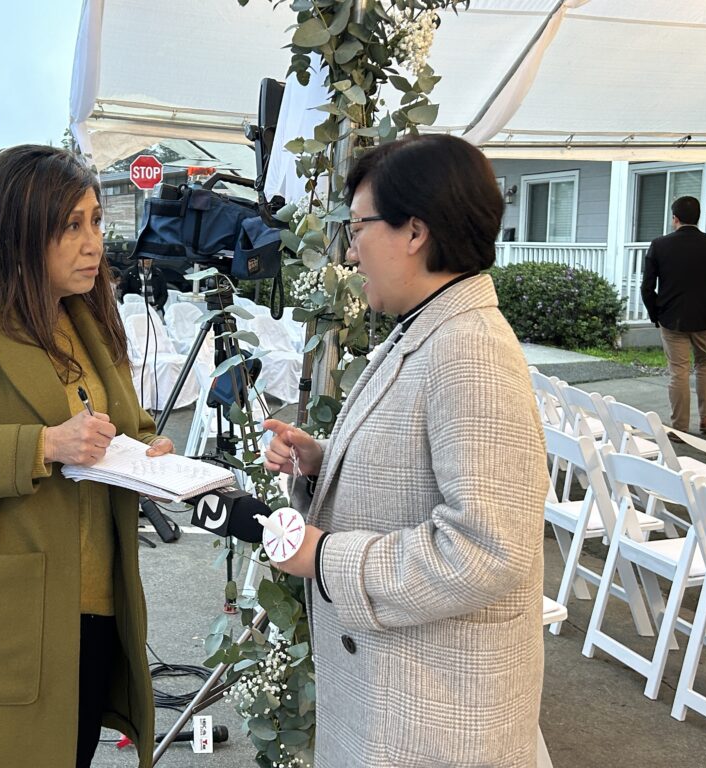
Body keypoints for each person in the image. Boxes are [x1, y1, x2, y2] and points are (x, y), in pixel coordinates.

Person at [262, 134, 547, 767]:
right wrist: (323, 460)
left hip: (435, 718)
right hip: (403, 697)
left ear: (414, 231)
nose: (351, 247)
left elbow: (487, 545)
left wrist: (327, 559)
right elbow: (421, 465)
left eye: (360, 225)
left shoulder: (468, 347)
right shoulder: (429, 326)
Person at [0, 145, 173, 768]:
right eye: (71, 225)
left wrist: (148, 453)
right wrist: (42, 445)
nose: (93, 242)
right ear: (19, 228)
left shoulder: (89, 315)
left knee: (73, 753)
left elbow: (122, 420)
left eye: (96, 221)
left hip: (95, 599)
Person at [640, 195, 706, 436]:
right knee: (705, 364)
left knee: (678, 370)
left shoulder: (659, 245)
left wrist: (655, 314)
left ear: (675, 218)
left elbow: (646, 287)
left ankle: (680, 428)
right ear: (698, 217)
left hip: (672, 319)